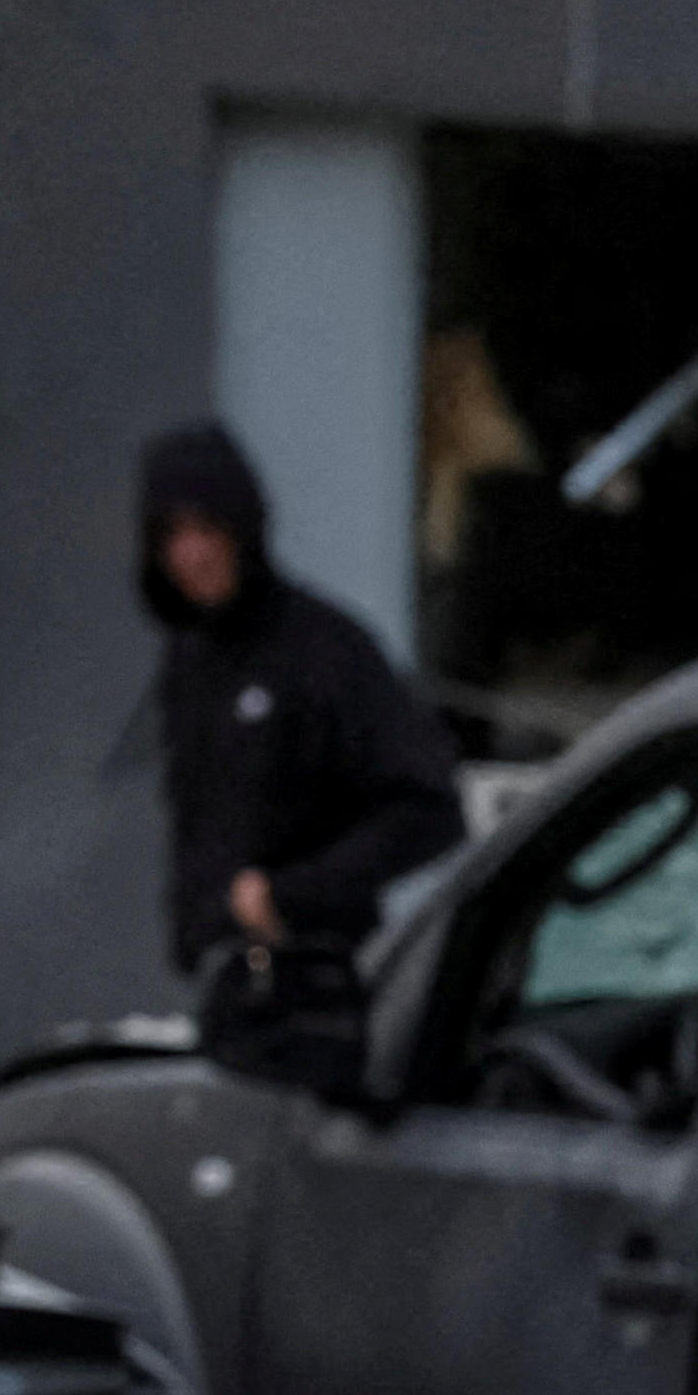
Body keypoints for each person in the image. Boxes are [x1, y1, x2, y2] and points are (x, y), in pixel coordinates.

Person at [135, 422, 466, 1092]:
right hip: (226, 992)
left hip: (319, 1001)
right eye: (173, 534)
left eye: (207, 528)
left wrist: (290, 896)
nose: (193, 553)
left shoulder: (323, 654)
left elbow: (429, 809)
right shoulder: (192, 665)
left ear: (242, 526)